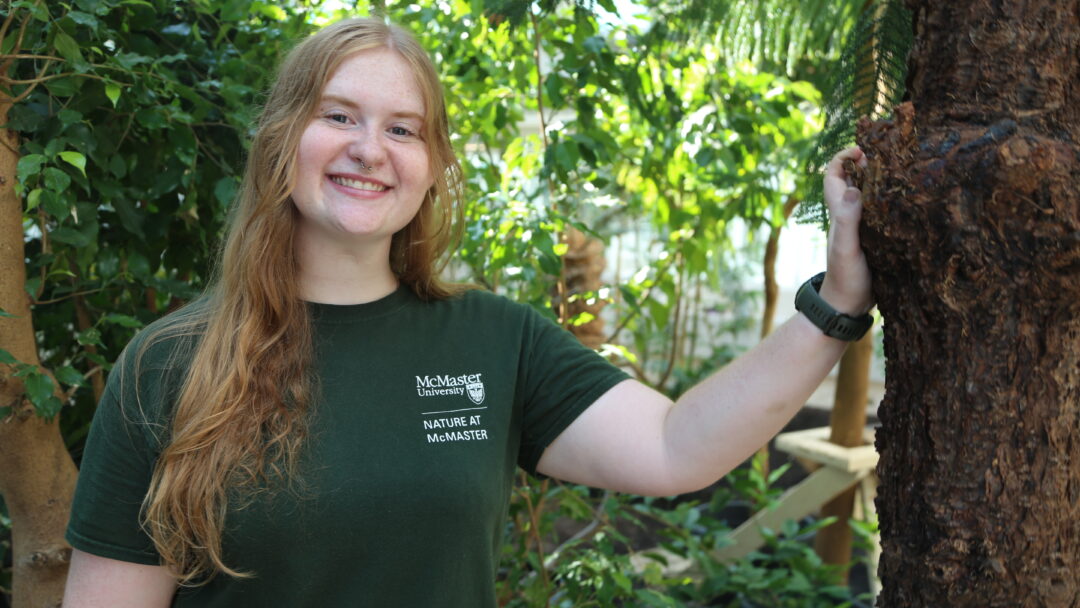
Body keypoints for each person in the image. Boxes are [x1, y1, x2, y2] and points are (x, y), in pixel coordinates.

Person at [61, 17, 872, 608]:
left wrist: (836, 300)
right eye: (338, 115)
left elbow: (674, 449)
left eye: (402, 128)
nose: (368, 148)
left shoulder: (493, 339)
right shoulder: (169, 365)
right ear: (281, 140)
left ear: (431, 167)